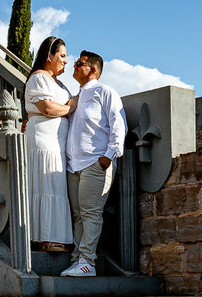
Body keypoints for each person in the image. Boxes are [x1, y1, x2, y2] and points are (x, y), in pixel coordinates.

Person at [62, 51, 126, 277]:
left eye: (80, 64)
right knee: (78, 215)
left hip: (95, 163)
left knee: (90, 213)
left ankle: (88, 261)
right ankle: (77, 260)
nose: (75, 66)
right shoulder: (75, 98)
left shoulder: (105, 92)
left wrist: (108, 156)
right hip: (73, 166)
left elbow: (118, 125)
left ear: (94, 70)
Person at [24, 37, 75, 253]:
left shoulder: (60, 84)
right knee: (45, 184)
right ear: (49, 55)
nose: (65, 61)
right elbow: (48, 109)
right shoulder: (38, 79)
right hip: (43, 141)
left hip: (58, 143)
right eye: (62, 56)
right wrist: (70, 107)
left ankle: (55, 236)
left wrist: (66, 106)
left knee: (56, 186)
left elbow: (61, 106)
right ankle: (42, 237)